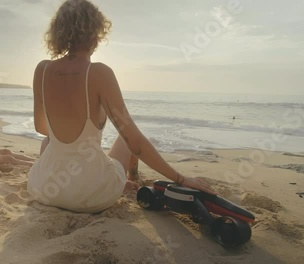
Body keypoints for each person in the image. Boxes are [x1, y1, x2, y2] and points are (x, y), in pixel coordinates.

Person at [27, 0, 217, 213]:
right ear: (96, 32)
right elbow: (135, 143)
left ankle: (125, 178)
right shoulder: (98, 72)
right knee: (125, 140)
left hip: (45, 189)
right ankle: (133, 177)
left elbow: (42, 128)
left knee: (49, 142)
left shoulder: (42, 70)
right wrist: (181, 178)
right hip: (89, 195)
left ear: (59, 32)